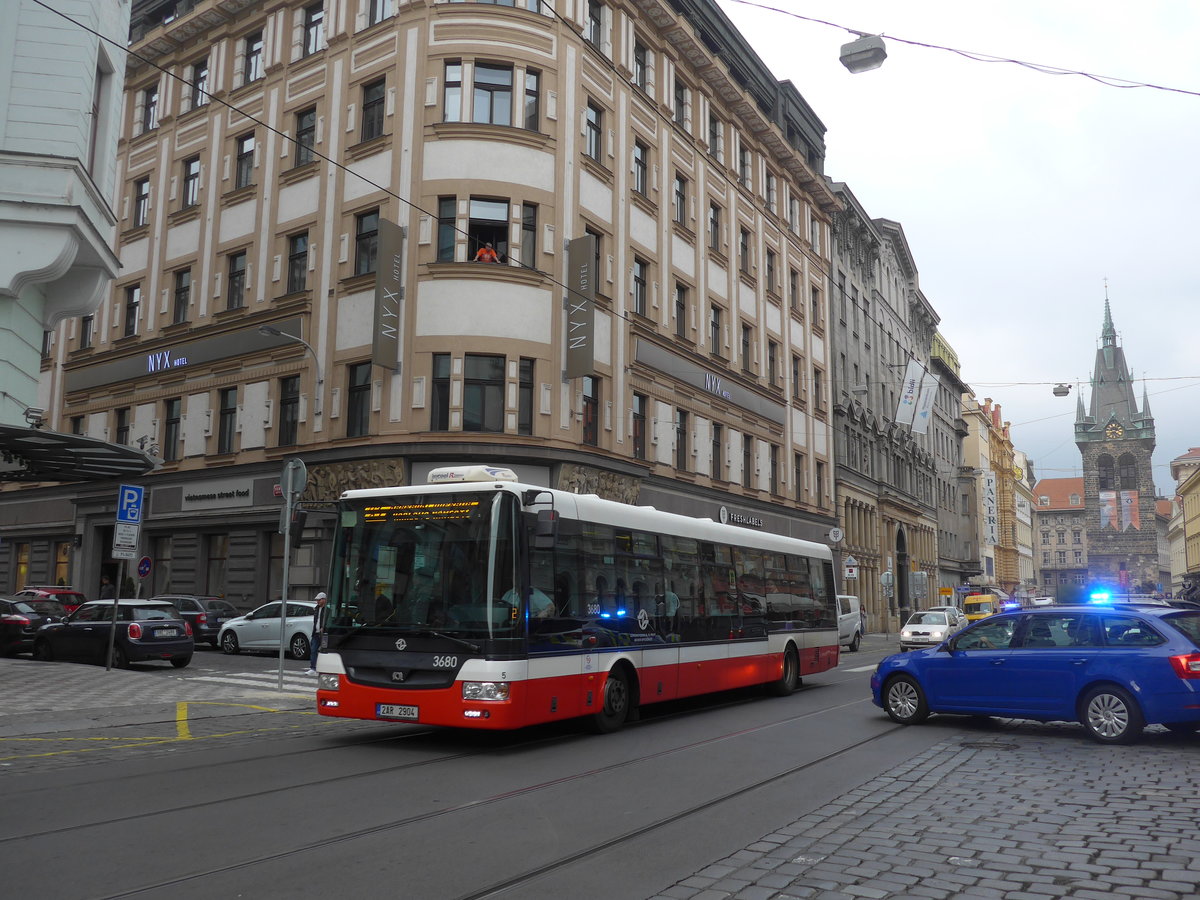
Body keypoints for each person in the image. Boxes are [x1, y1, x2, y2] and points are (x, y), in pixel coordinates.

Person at [306, 592, 327, 675]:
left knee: (324, 651)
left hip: (323, 634)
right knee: (313, 650)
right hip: (316, 632)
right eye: (317, 600)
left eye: (319, 600)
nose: (317, 601)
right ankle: (313, 668)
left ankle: (322, 668)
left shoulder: (327, 609)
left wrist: (324, 627)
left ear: (324, 600)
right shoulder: (316, 609)